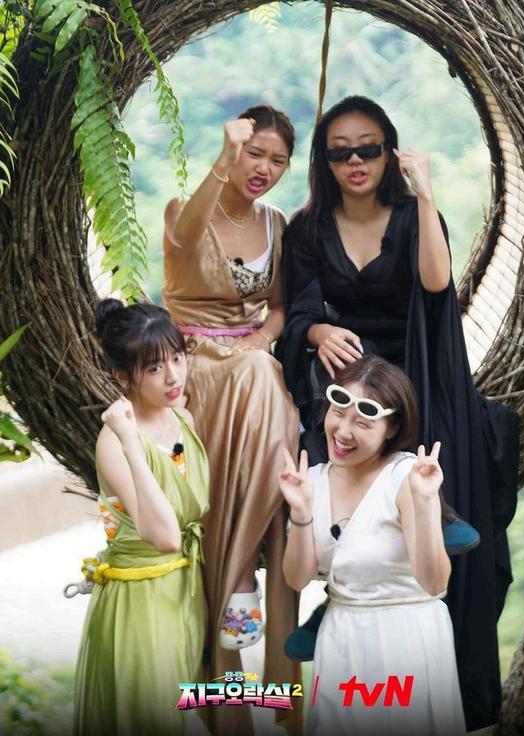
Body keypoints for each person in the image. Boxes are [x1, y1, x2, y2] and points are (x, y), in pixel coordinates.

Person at [278, 95, 519, 730]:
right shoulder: (307, 228)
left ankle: (443, 518)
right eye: (341, 153)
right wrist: (317, 333)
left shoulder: (412, 216)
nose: (355, 161)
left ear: (388, 152)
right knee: (325, 444)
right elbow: (296, 313)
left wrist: (427, 194)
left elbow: (437, 285)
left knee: (454, 444)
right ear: (324, 161)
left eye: (369, 149)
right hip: (344, 377)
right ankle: (337, 594)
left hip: (413, 371)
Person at [162, 105, 301, 734]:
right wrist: (222, 158)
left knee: (266, 376)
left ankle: (245, 571)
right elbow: (182, 243)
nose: (263, 168)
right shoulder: (183, 209)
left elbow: (279, 309)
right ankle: (232, 585)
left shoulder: (276, 223)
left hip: (249, 369)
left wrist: (260, 340)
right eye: (254, 153)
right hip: (193, 370)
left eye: (278, 160)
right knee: (262, 381)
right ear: (232, 152)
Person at [279, 356, 466, 736]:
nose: (344, 431)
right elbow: (297, 579)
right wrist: (300, 511)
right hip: (341, 634)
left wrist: (426, 503)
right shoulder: (311, 479)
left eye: (363, 423)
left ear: (391, 427)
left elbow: (435, 583)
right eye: (338, 413)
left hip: (405, 636)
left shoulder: (405, 476)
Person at [73, 299, 209, 736]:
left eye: (177, 358)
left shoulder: (183, 419)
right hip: (141, 602)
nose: (173, 376)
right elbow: (165, 535)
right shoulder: (114, 444)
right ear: (122, 378)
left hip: (185, 593)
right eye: (154, 368)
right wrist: (132, 441)